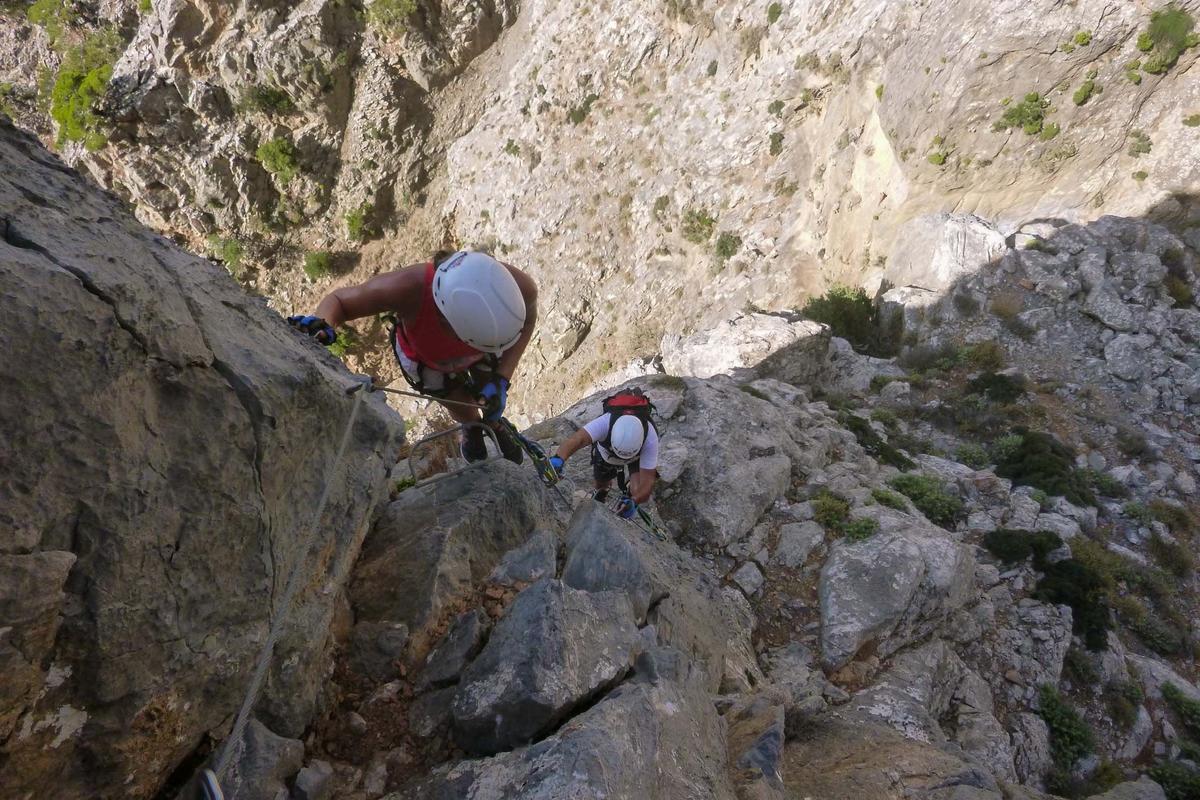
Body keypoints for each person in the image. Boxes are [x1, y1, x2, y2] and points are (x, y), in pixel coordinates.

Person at [287, 249, 538, 463]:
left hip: (482, 347)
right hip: (426, 356)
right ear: (442, 315)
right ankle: (471, 425)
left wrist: (502, 379)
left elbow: (527, 317)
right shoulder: (409, 287)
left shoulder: (516, 286)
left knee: (490, 395)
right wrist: (322, 324)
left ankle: (494, 423)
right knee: (458, 402)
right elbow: (340, 301)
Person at [548, 388, 659, 519]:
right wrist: (558, 459)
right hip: (609, 454)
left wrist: (635, 500)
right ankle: (603, 491)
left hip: (633, 456)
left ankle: (629, 498)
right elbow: (577, 440)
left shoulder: (650, 437)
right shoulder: (605, 422)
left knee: (637, 488)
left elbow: (647, 480)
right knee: (601, 483)